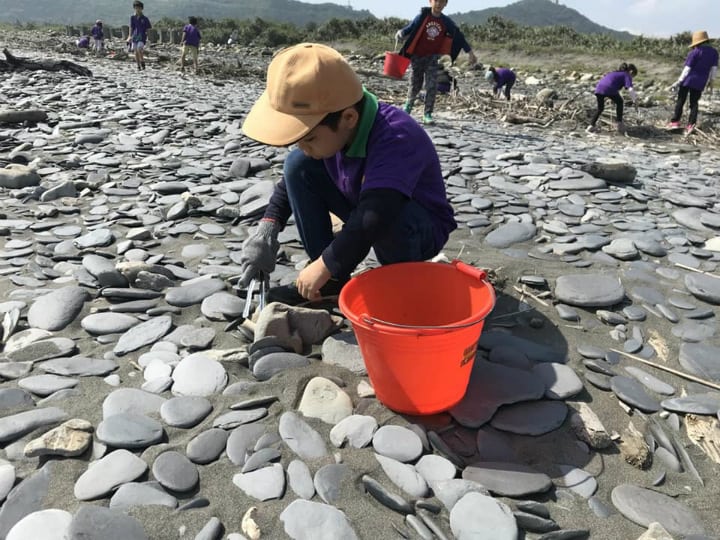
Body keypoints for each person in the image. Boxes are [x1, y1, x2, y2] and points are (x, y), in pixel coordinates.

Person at [238, 43, 457, 304]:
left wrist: (324, 264)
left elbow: (374, 216)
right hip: (364, 206)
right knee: (298, 164)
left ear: (349, 118)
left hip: (416, 226)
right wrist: (268, 228)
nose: (304, 147)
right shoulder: (335, 128)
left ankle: (399, 280)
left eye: (308, 139)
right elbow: (292, 181)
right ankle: (331, 282)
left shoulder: (397, 136)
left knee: (388, 216)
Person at [395, 0, 477, 124]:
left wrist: (470, 52)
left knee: (432, 85)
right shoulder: (422, 17)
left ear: (446, 4)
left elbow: (458, 36)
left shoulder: (446, 21)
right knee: (415, 84)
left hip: (432, 57)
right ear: (430, 2)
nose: (438, 4)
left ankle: (427, 113)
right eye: (436, 1)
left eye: (442, 2)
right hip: (417, 56)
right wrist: (400, 32)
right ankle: (408, 106)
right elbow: (410, 28)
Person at [668, 30, 718, 135]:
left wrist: (678, 81)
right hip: (701, 81)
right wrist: (711, 82)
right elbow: (714, 69)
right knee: (694, 103)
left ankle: (675, 122)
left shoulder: (695, 52)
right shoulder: (714, 52)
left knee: (681, 100)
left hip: (688, 80)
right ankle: (691, 124)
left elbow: (687, 69)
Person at [586, 62, 638, 134]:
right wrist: (635, 101)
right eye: (633, 76)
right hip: (609, 89)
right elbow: (630, 89)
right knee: (620, 102)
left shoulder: (614, 73)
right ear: (631, 72)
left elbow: (609, 81)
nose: (631, 78)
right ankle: (619, 124)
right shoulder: (626, 75)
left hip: (599, 88)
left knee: (600, 108)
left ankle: (591, 126)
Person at [127, 1, 152, 70]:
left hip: (142, 36)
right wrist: (129, 36)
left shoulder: (145, 19)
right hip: (135, 36)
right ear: (134, 8)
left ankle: (142, 61)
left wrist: (148, 38)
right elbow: (131, 27)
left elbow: (148, 29)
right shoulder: (132, 17)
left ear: (141, 9)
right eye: (136, 8)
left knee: (139, 49)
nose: (137, 9)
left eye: (139, 8)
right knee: (135, 51)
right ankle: (138, 65)